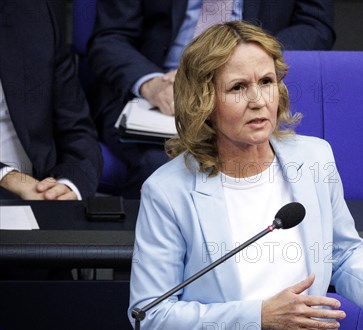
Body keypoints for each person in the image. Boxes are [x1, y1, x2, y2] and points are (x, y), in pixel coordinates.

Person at [129, 21, 363, 330]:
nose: (258, 100)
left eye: (266, 81)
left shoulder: (314, 158)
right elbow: (150, 316)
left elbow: (343, 251)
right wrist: (259, 318)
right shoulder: (168, 192)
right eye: (238, 87)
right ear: (203, 100)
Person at [87, 0, 335, 198]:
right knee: (161, 163)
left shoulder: (317, 155)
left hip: (247, 80)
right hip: (156, 90)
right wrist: (151, 84)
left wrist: (254, 58)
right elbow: (110, 37)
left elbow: (315, 24)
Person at [0, 0, 102, 200]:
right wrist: (9, 178)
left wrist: (68, 186)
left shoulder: (33, 11)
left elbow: (76, 128)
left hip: (40, 192)